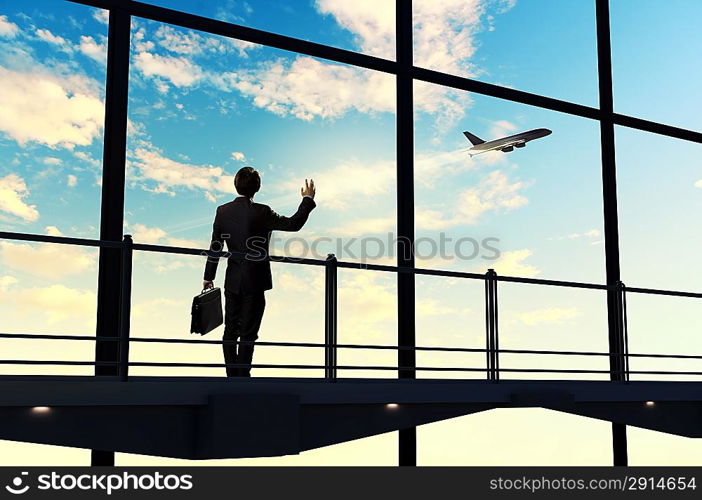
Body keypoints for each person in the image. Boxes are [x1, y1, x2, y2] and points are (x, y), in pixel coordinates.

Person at [203, 166, 316, 377]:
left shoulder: (222, 211)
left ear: (236, 185)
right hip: (256, 280)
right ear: (257, 188)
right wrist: (307, 200)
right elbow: (293, 224)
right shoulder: (262, 212)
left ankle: (232, 376)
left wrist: (208, 276)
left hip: (233, 279)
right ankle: (242, 377)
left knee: (230, 330)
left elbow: (215, 247)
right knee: (249, 332)